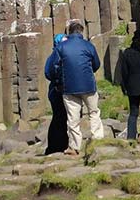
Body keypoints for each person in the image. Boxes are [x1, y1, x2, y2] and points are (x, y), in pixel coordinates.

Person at [58, 20, 104, 155]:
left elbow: (54, 65)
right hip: (88, 85)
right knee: (94, 112)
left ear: (69, 32)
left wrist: (61, 77)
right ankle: (97, 138)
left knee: (73, 118)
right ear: (81, 32)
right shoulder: (88, 46)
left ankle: (74, 146)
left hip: (69, 87)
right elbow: (96, 64)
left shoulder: (61, 47)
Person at [43, 34, 69, 154]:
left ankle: (63, 143)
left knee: (64, 118)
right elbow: (48, 73)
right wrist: (58, 81)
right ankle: (55, 146)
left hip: (65, 90)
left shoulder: (64, 54)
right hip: (57, 91)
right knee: (59, 118)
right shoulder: (55, 55)